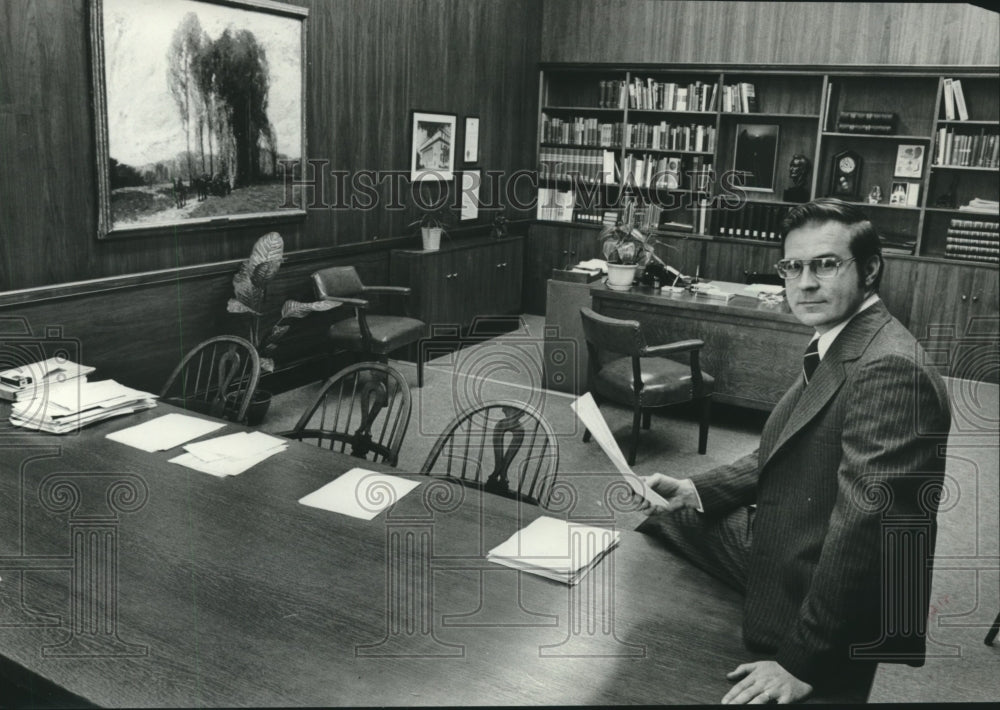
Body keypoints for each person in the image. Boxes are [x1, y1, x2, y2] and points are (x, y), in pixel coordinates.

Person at [638, 198, 951, 704]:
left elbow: (866, 528)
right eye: (793, 266)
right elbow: (782, 448)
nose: (805, 283)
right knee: (666, 515)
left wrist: (803, 662)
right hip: (794, 530)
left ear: (870, 269)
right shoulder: (841, 340)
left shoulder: (890, 368)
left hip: (824, 565)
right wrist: (695, 488)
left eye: (826, 264)